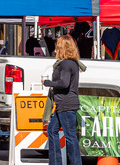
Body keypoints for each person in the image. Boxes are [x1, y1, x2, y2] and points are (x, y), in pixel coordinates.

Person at [42, 35, 83, 165]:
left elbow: (64, 83)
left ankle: (75, 163)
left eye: (57, 45)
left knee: (70, 137)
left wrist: (48, 82)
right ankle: (55, 162)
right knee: (52, 130)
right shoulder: (71, 63)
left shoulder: (65, 64)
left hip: (66, 104)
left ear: (62, 47)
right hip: (63, 105)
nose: (55, 47)